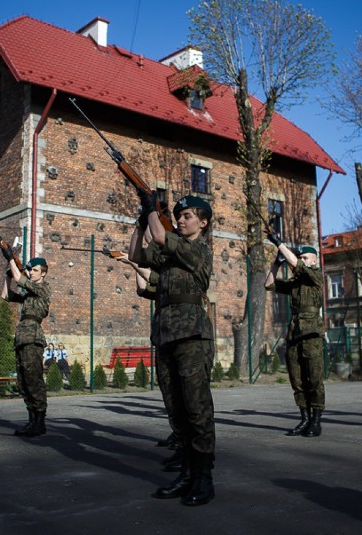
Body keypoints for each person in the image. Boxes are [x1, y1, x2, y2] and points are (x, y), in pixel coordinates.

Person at [134, 193, 216, 506]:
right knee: (176, 410)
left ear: (203, 222)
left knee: (197, 409)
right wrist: (141, 219)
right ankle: (185, 471)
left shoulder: (198, 250)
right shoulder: (170, 253)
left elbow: (159, 234)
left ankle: (203, 477)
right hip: (166, 336)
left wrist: (152, 212)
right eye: (178, 216)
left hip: (192, 336)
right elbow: (137, 255)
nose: (180, 220)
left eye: (187, 217)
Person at [120, 229, 181, 472]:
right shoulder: (158, 270)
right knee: (167, 390)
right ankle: (177, 433)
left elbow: (154, 279)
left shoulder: (175, 269)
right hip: (162, 336)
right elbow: (144, 289)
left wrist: (133, 263)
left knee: (180, 392)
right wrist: (133, 265)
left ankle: (185, 442)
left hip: (178, 336)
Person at [264, 238, 325, 437]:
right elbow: (269, 285)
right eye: (300, 257)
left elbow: (298, 267)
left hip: (312, 334)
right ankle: (304, 418)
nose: (301, 260)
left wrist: (278, 243)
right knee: (297, 380)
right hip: (295, 334)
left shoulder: (316, 276)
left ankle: (316, 420)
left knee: (314, 379)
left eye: (305, 257)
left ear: (314, 261)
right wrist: (276, 263)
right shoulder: (295, 283)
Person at [2, 255, 51, 437]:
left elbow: (19, 279)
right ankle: (31, 420)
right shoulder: (29, 293)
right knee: (23, 381)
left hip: (33, 338)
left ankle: (40, 421)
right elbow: (6, 295)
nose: (31, 273)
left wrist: (10, 259)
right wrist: (7, 276)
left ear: (43, 273)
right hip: (22, 338)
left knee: (34, 380)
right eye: (30, 270)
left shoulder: (42, 288)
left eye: (35, 270)